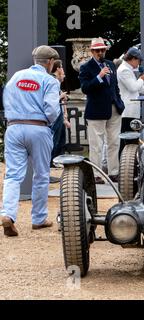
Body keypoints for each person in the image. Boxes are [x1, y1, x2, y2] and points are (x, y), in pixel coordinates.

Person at [0, 45, 61, 237]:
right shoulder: (49, 80)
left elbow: (6, 100)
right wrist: (48, 123)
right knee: (41, 175)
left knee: (12, 175)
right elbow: (52, 110)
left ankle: (7, 213)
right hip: (38, 128)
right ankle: (38, 218)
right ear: (50, 62)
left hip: (14, 127)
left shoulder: (16, 77)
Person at [79, 37, 125, 184]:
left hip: (114, 108)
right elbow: (85, 88)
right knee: (96, 144)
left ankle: (113, 173)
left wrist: (119, 102)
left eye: (103, 50)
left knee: (114, 142)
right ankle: (96, 174)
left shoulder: (111, 65)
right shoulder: (86, 67)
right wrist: (99, 77)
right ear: (92, 51)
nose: (100, 52)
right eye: (98, 50)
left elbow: (115, 86)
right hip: (96, 110)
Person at [117, 47, 144, 154]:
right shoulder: (124, 70)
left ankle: (129, 161)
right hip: (127, 111)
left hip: (130, 110)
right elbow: (133, 87)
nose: (139, 64)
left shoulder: (128, 69)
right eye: (139, 61)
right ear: (133, 59)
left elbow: (137, 87)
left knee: (132, 138)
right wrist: (141, 79)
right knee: (128, 140)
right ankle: (126, 162)